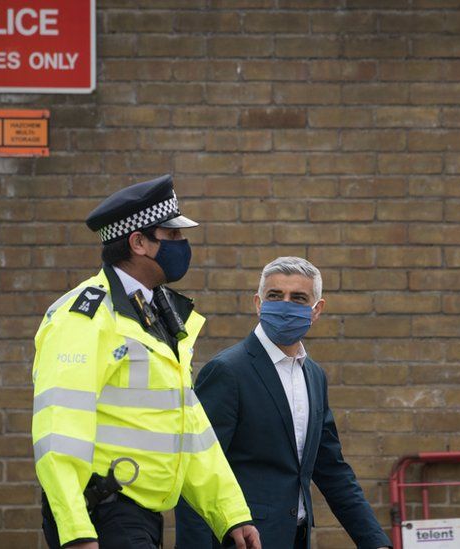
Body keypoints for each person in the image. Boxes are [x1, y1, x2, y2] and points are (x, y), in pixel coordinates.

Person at [31, 175, 260, 549]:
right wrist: (76, 531)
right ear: (138, 242)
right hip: (100, 514)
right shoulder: (84, 317)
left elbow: (189, 428)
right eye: (170, 236)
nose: (182, 245)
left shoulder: (158, 312)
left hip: (141, 516)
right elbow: (59, 431)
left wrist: (231, 513)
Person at [174, 257, 391, 549]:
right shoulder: (228, 371)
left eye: (298, 298)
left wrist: (375, 541)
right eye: (275, 296)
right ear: (258, 303)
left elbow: (331, 469)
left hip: (296, 537)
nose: (285, 305)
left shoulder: (313, 375)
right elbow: (196, 468)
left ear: (317, 310)